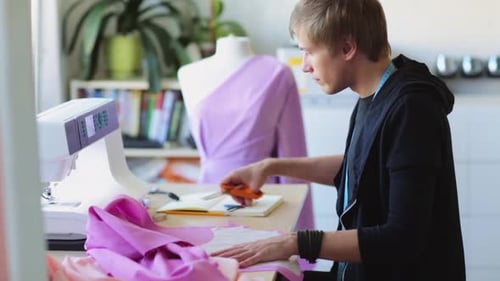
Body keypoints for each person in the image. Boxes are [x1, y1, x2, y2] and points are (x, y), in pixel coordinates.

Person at [212, 0, 466, 281]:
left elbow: (402, 237)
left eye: (308, 52)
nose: (305, 66)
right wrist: (269, 167)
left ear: (347, 48)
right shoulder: (375, 95)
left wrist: (296, 242)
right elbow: (361, 168)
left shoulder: (411, 109)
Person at [178, 35, 315, 230]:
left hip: (262, 195)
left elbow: (293, 146)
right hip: (208, 191)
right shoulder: (188, 73)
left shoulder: (277, 74)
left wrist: (298, 223)